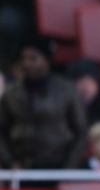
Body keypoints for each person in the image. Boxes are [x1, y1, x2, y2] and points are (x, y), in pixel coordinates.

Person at [0, 39, 88, 170]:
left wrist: (69, 167)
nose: (26, 63)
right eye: (24, 58)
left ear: (46, 60)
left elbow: (81, 132)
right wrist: (10, 162)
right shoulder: (11, 93)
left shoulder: (66, 90)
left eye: (33, 58)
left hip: (57, 167)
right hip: (22, 168)